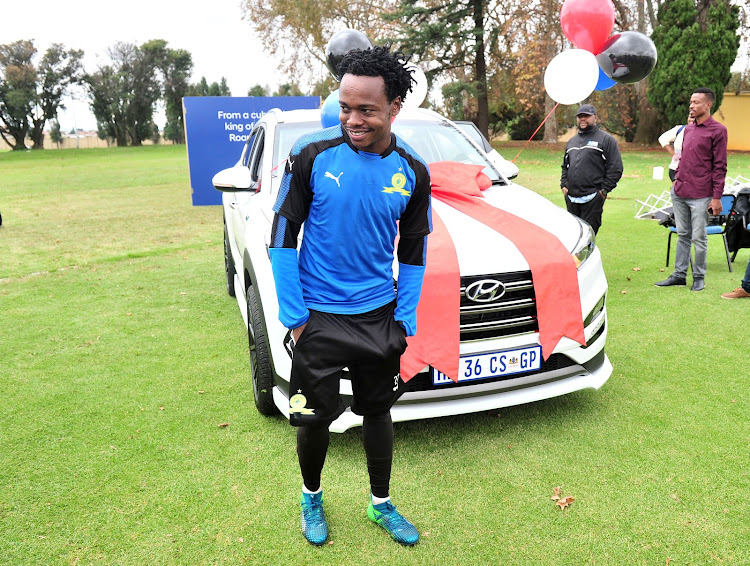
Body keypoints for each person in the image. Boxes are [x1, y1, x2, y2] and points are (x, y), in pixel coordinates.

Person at [268, 45, 432, 547]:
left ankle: (380, 503)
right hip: (317, 316)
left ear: (395, 108)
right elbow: (281, 237)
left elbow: (413, 249)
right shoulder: (311, 155)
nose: (353, 119)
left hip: (378, 315)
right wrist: (297, 318)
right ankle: (311, 497)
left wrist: (405, 318)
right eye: (345, 107)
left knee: (377, 413)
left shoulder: (413, 171)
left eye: (367, 110)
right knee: (314, 418)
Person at [655, 87, 728, 292]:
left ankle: (699, 277)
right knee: (683, 234)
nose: (691, 106)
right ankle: (679, 275)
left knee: (699, 237)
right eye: (690, 102)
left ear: (708, 105)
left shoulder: (718, 131)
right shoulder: (687, 130)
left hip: (701, 195)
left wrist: (716, 197)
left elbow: (720, 166)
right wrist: (677, 181)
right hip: (680, 191)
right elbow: (682, 159)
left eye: (696, 102)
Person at [560, 104, 623, 235]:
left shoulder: (606, 140)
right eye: (580, 116)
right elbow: (565, 165)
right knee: (573, 236)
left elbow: (616, 167)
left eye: (586, 116)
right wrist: (563, 185)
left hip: (592, 198)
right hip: (572, 198)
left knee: (588, 237)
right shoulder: (572, 141)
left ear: (595, 117)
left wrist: (604, 191)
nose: (582, 119)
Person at [658, 116, 696, 182]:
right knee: (677, 191)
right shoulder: (680, 129)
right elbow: (663, 138)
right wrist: (673, 153)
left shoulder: (705, 134)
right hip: (675, 169)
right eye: (690, 117)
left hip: (694, 172)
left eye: (694, 118)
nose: (691, 120)